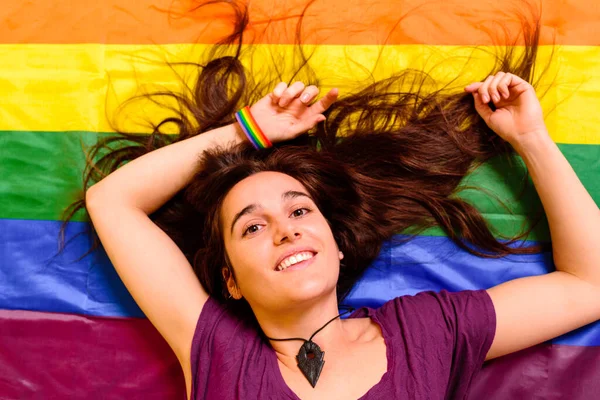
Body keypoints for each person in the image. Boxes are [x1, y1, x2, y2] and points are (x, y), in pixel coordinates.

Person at [79, 68, 600, 400]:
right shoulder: (216, 349)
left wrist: (530, 138)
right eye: (253, 226)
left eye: (300, 211)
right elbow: (112, 202)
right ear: (229, 279)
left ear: (340, 243)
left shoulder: (426, 333)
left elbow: (589, 285)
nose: (285, 231)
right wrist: (246, 132)